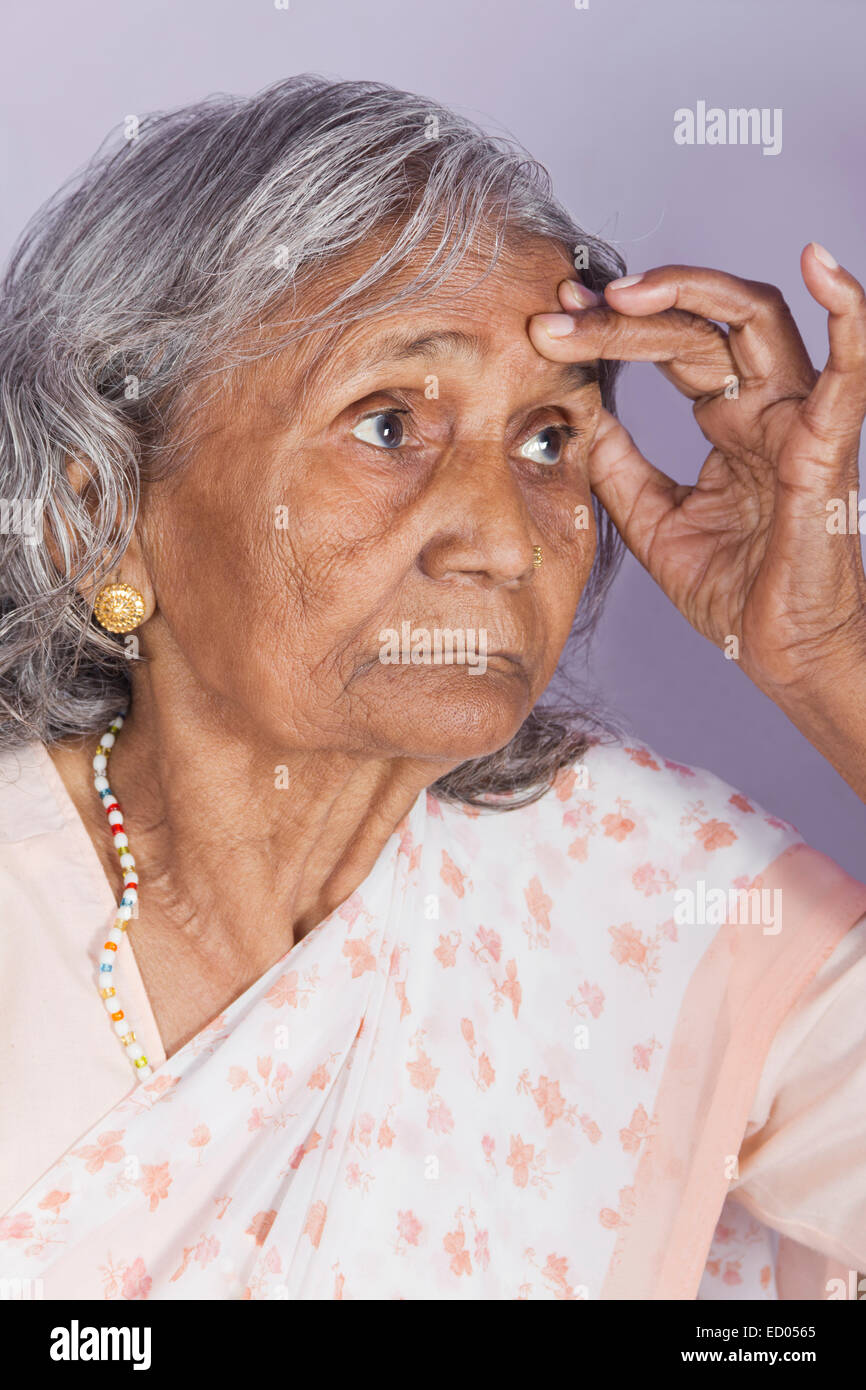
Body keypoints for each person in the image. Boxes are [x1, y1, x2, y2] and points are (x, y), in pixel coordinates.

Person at [0, 75, 864, 1300]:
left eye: (547, 440)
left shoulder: (641, 896)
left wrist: (832, 656)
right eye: (389, 424)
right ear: (104, 512)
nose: (503, 541)